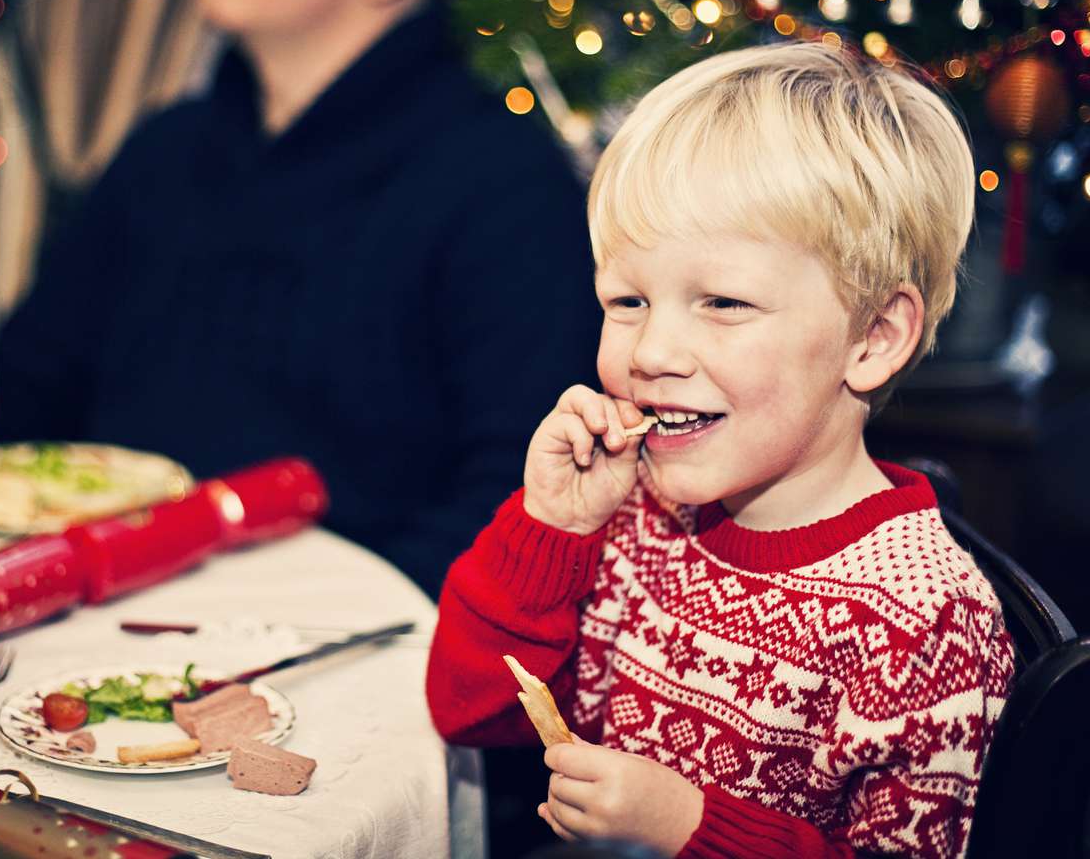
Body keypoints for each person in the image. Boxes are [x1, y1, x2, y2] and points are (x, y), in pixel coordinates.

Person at [426, 42, 1017, 858]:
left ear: (874, 338)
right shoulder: (634, 512)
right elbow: (471, 712)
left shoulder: (922, 623)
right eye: (627, 299)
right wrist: (550, 529)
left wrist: (689, 827)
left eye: (725, 302)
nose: (652, 350)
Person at [0, 0, 598, 595]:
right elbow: (21, 399)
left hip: (334, 667)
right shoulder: (163, 150)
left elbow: (519, 502)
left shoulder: (506, 187)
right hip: (82, 621)